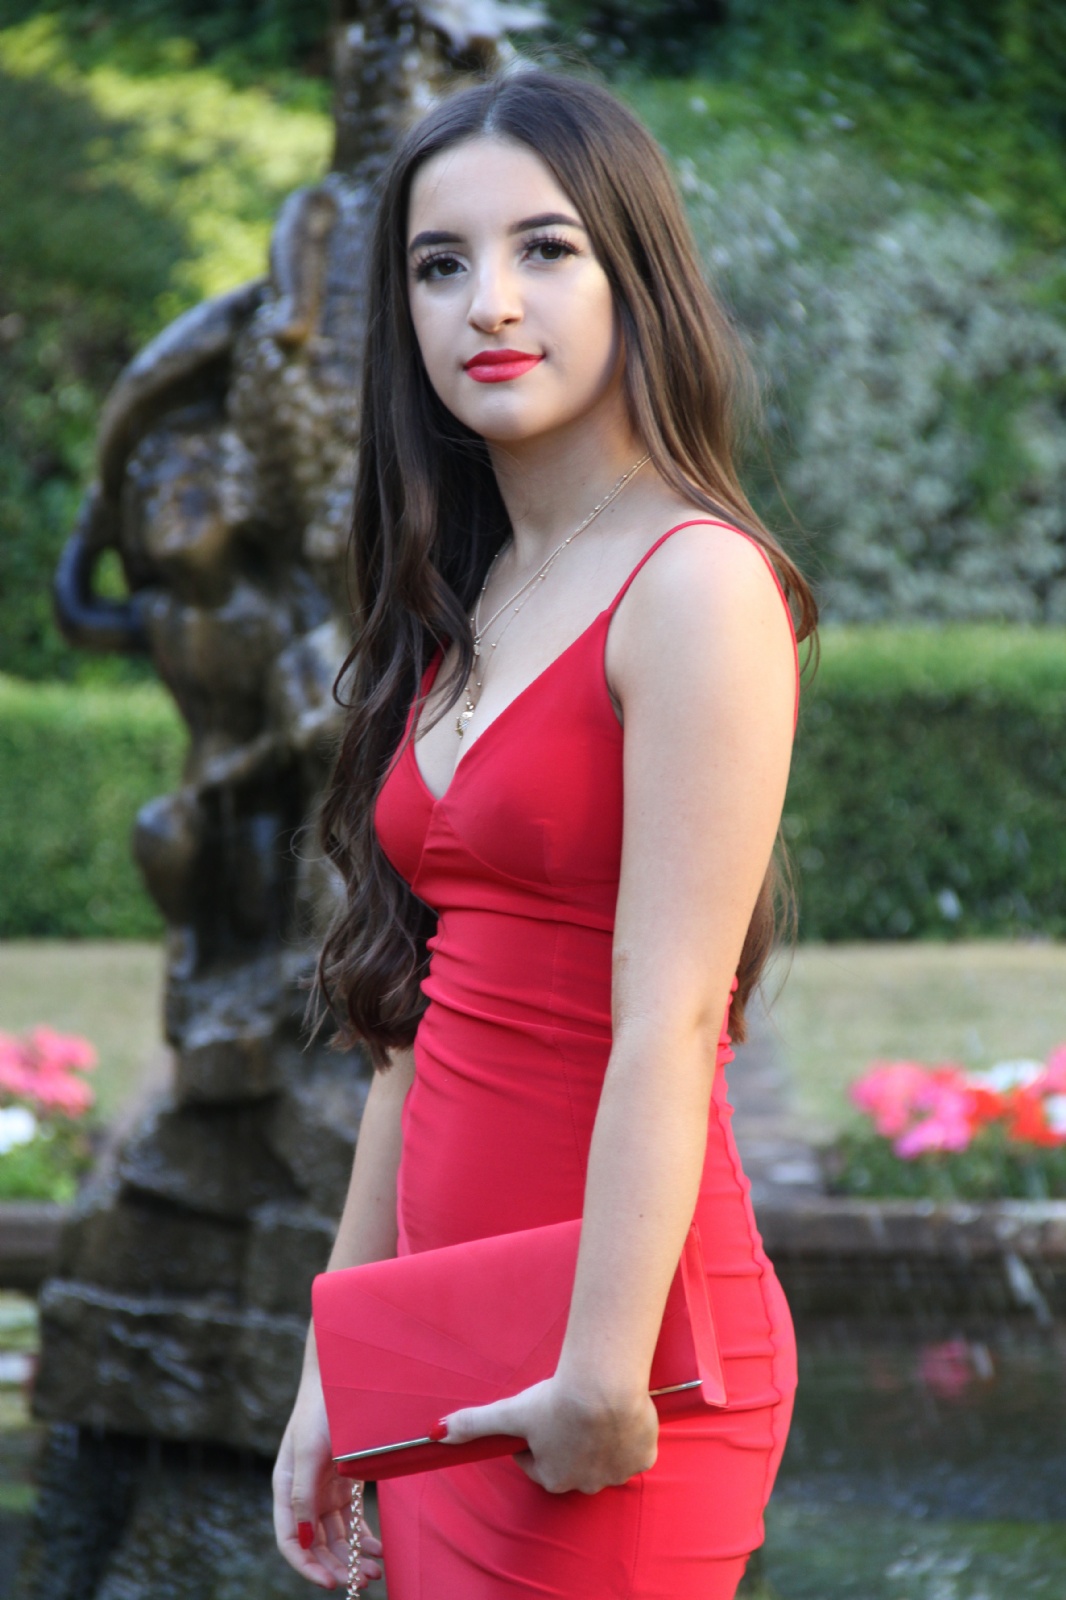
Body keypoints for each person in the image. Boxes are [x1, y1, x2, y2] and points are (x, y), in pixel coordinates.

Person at [272, 67, 817, 1600]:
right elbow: (413, 1033)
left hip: (621, 1371)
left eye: (544, 249)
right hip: (451, 1354)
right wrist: (337, 1371)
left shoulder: (695, 583)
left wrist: (598, 1372)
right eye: (439, 265)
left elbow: (671, 1018)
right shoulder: (469, 594)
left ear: (633, 274)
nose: (488, 304)